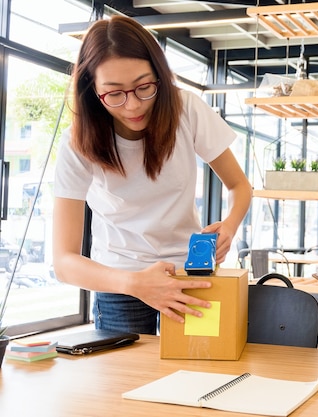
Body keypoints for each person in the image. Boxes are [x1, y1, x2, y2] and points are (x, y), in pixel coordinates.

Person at [53, 16, 252, 334]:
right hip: (119, 282)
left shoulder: (186, 109)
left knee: (194, 374)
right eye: (114, 93)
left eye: (144, 87)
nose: (132, 106)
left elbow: (239, 185)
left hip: (189, 274)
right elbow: (63, 262)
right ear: (92, 89)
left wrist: (229, 226)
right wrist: (134, 283)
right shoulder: (77, 141)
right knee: (125, 380)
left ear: (159, 74)